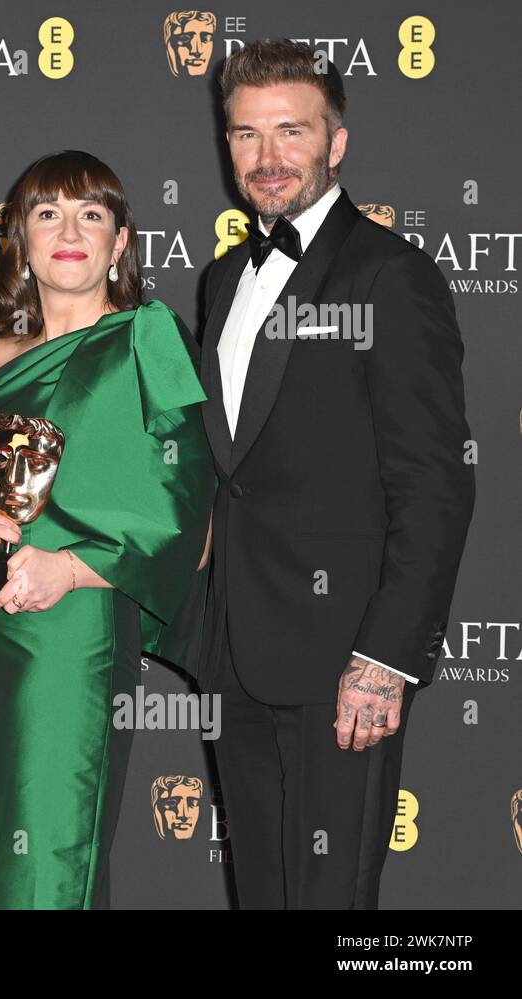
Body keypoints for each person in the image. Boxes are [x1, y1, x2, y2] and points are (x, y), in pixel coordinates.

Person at [196, 40, 474, 908]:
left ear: (336, 143)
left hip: (344, 660)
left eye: (290, 130)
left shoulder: (391, 275)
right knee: (263, 894)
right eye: (246, 134)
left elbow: (436, 484)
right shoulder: (220, 281)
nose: (267, 157)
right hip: (237, 652)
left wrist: (385, 658)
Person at [0, 151, 214, 909]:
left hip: (73, 635)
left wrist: (70, 569)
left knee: (49, 857)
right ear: (19, 239)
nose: (70, 230)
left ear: (121, 242)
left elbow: (190, 516)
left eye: (92, 213)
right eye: (48, 213)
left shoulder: (149, 341)